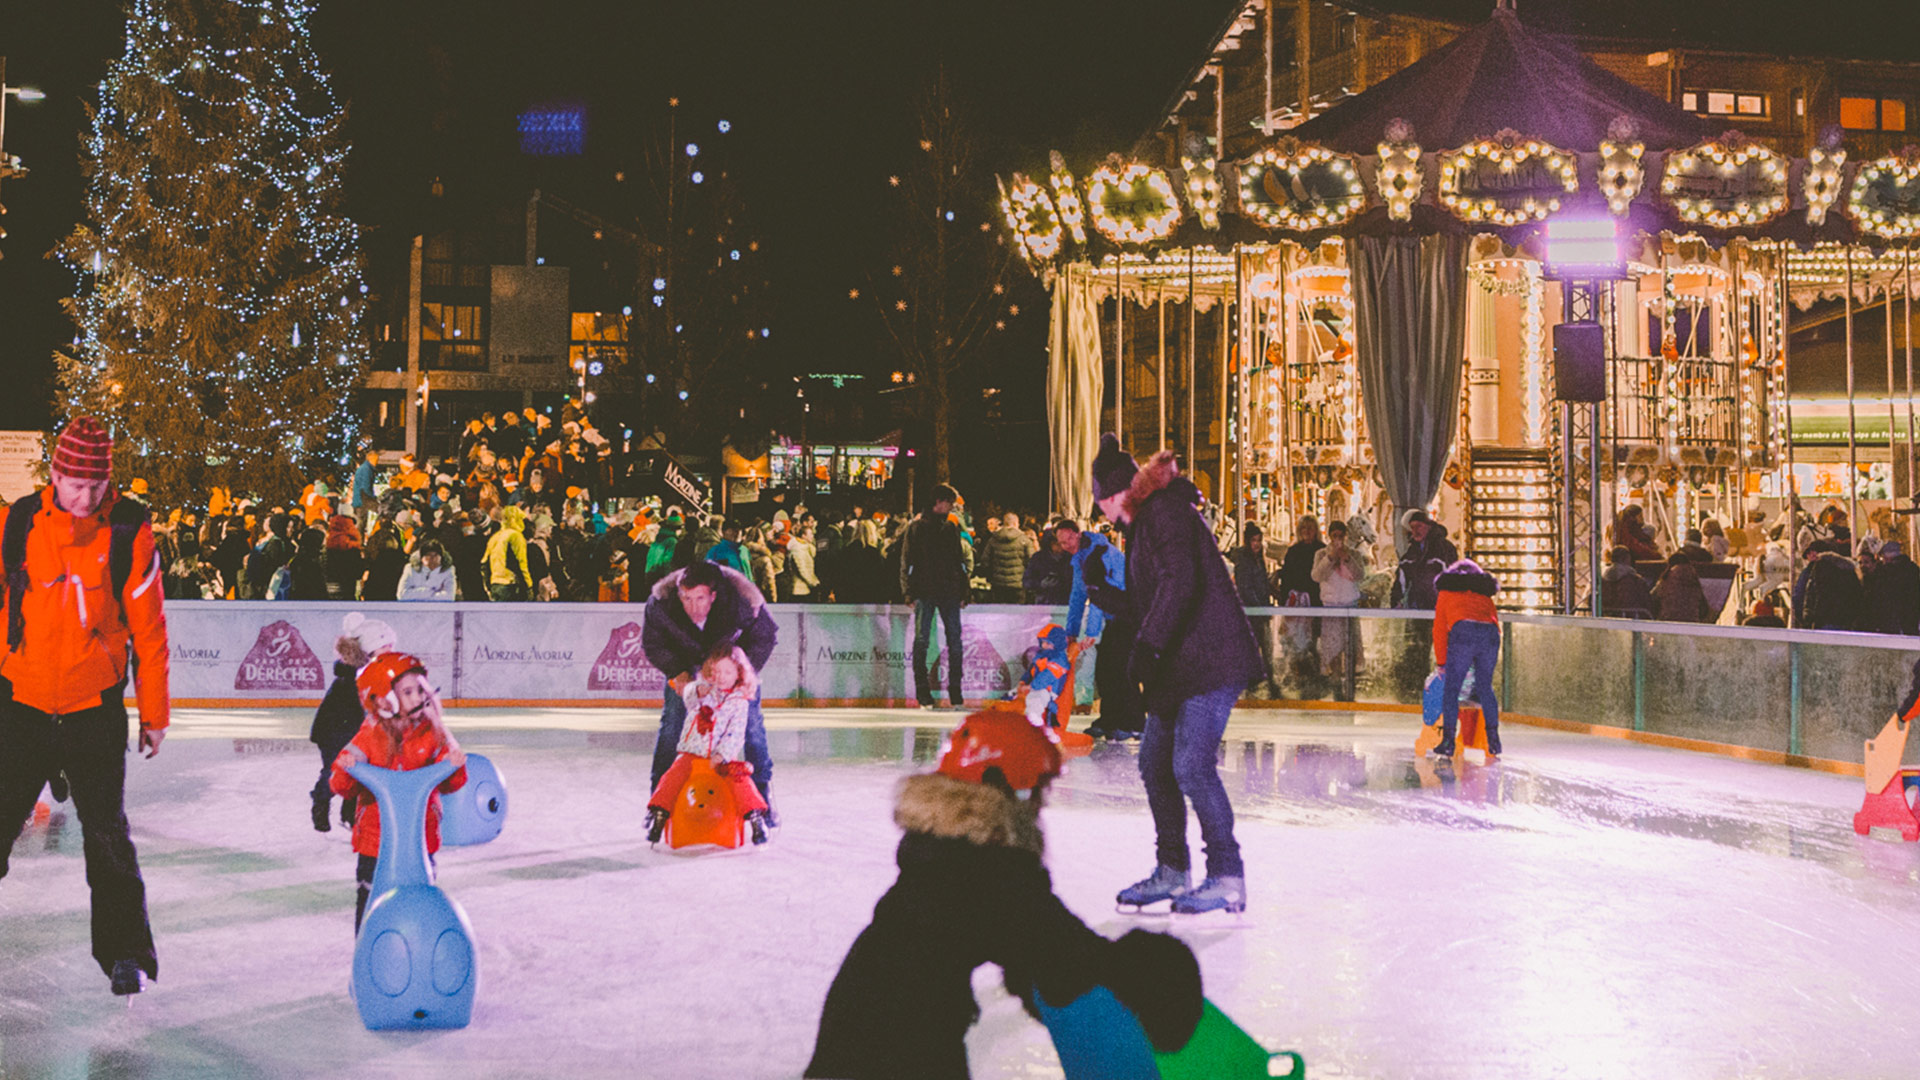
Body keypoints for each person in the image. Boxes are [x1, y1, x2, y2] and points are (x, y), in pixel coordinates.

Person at [804, 711, 1204, 1080]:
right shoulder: (989, 870)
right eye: (1037, 791)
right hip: (896, 1053)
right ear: (1005, 791)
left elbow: (1031, 951)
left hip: (860, 1035)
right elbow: (1070, 959)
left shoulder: (945, 849)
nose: (1041, 806)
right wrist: (1159, 976)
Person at [0, 419, 170, 997]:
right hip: (20, 702)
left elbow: (149, 631)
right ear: (54, 475)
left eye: (96, 486)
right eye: (75, 484)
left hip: (91, 706)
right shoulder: (18, 523)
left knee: (105, 835)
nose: (86, 498)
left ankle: (125, 953)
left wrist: (154, 711)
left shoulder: (127, 532)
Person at [1093, 434, 1261, 916]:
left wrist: (1146, 647)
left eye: (1102, 503)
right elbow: (1153, 598)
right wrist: (1107, 595)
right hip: (1181, 666)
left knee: (1190, 764)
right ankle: (1172, 869)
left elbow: (1180, 583)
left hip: (1210, 659)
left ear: (1114, 496)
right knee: (1154, 764)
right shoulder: (1144, 526)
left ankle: (1227, 876)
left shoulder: (1162, 513)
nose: (1103, 514)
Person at [330, 652, 467, 933]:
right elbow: (340, 785)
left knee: (418, 905)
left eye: (420, 689)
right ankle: (368, 957)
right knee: (371, 907)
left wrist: (453, 766)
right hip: (375, 844)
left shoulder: (434, 733)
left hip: (420, 842)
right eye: (407, 691)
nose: (417, 697)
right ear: (383, 699)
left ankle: (416, 957)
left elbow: (452, 784)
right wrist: (347, 769)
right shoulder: (369, 736)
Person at [641, 561, 780, 805]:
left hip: (732, 669)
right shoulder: (661, 605)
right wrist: (677, 672)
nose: (692, 606)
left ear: (713, 596)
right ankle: (659, 802)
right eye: (686, 598)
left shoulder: (742, 603)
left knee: (752, 728)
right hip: (686, 667)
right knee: (672, 724)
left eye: (700, 598)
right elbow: (653, 643)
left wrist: (744, 672)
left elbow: (764, 637)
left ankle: (762, 800)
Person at [644, 645, 771, 846]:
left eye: (728, 672)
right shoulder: (705, 691)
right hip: (693, 751)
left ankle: (756, 817)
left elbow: (735, 734)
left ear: (739, 673)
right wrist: (695, 689)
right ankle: (659, 814)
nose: (721, 677)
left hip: (721, 757)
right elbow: (688, 697)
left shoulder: (739, 702)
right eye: (717, 671)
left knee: (740, 779)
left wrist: (722, 755)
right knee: (674, 774)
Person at [310, 615, 395, 832]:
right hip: (334, 732)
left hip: (358, 731)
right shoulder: (354, 676)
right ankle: (321, 801)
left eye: (390, 645)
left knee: (361, 770)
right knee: (336, 770)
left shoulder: (376, 670)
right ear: (370, 650)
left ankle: (349, 814)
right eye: (384, 646)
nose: (390, 649)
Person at [900, 484, 970, 709]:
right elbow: (907, 560)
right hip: (925, 590)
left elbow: (959, 561)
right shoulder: (917, 527)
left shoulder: (951, 527)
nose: (951, 507)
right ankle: (923, 694)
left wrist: (963, 589)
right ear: (938, 502)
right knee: (922, 641)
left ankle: (955, 693)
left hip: (948, 591)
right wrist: (908, 591)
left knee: (955, 642)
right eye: (949, 502)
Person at [1430, 558, 1503, 758]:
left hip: (1463, 631)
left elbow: (1439, 630)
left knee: (1451, 690)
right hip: (1489, 634)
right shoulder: (1483, 594)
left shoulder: (1446, 592)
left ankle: (1448, 742)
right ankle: (1494, 741)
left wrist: (1442, 662)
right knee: (1485, 688)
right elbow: (1495, 623)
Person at [1312, 519, 1368, 671]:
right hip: (1331, 607)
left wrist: (1347, 558)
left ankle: (1350, 676)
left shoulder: (1354, 554)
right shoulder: (1321, 554)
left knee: (1350, 647)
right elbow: (1316, 576)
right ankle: (1335, 678)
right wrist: (1330, 558)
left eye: (1341, 536)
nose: (1338, 539)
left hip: (1350, 605)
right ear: (1330, 536)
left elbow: (1360, 575)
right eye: (1335, 535)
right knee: (1332, 649)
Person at [1227, 523, 1274, 690]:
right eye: (1254, 540)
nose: (1257, 544)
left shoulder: (1259, 560)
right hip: (1252, 613)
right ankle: (1254, 683)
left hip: (1260, 611)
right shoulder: (1245, 562)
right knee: (1256, 648)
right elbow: (1246, 587)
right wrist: (1260, 608)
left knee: (1266, 649)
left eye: (1259, 540)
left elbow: (1262, 584)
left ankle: (1267, 681)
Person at [1392, 509, 1458, 610]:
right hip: (1416, 605)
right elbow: (1402, 578)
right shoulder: (1411, 553)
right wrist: (1396, 601)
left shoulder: (1443, 548)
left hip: (1438, 606)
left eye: (1419, 526)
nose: (1415, 531)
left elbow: (1451, 577)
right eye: (1412, 527)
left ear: (1429, 527)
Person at [1866, 540, 1920, 635]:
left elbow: (1879, 596)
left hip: (1889, 618)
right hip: (1910, 614)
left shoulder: (1884, 572)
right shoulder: (1912, 569)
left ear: (1887, 557)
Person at [979, 512, 1036, 604]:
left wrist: (991, 577)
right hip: (1018, 584)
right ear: (1015, 523)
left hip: (998, 584)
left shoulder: (993, 539)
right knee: (1017, 614)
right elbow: (1032, 562)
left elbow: (985, 561)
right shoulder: (1025, 540)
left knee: (1000, 614)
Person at [484, 504, 532, 602]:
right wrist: (528, 585)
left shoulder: (495, 537)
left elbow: (484, 563)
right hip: (510, 584)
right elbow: (521, 562)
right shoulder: (516, 536)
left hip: (495, 584)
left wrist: (488, 586)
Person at [1652, 551, 1711, 623]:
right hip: (1691, 624)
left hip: (1667, 623)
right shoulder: (1694, 580)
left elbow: (1653, 601)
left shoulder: (1666, 579)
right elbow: (1704, 610)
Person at [1600, 546, 1655, 618]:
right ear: (1627, 559)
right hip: (1633, 620)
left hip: (1607, 620)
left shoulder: (1602, 581)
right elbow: (1648, 602)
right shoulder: (1635, 580)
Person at [323, 514, 364, 600]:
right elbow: (358, 573)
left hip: (329, 590)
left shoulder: (327, 545)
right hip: (347, 590)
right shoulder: (352, 547)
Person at [351, 449, 380, 534]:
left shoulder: (364, 468)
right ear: (371, 459)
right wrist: (373, 498)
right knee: (381, 510)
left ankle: (359, 541)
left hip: (358, 499)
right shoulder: (367, 469)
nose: (377, 462)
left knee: (360, 523)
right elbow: (365, 487)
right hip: (363, 499)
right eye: (376, 460)